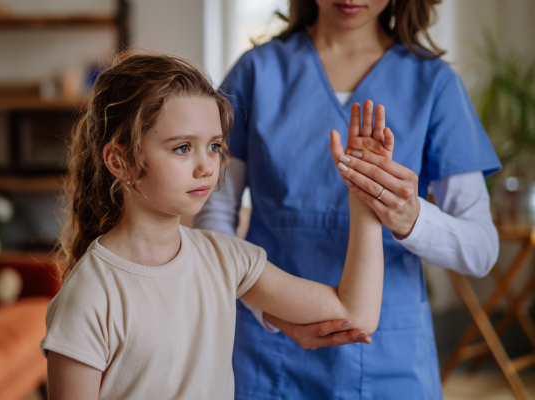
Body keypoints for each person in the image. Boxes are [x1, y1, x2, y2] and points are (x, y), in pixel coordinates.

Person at [40, 52, 393, 400]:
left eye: (213, 146)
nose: (207, 166)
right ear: (121, 161)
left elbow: (355, 314)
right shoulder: (90, 295)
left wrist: (365, 194)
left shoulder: (227, 259)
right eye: (182, 148)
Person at [194, 0, 502, 398]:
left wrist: (411, 218)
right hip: (269, 347)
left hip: (389, 351)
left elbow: (481, 251)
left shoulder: (434, 83)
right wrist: (263, 307)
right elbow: (214, 214)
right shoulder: (256, 71)